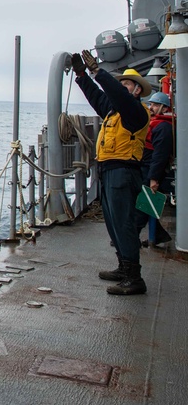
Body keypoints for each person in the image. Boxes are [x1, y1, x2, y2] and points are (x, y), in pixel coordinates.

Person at [71, 51, 151, 295]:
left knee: (124, 223)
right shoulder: (114, 112)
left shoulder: (135, 112)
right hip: (109, 171)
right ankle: (123, 267)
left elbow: (117, 96)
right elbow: (98, 97)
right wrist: (83, 75)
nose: (121, 88)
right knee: (114, 223)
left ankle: (134, 277)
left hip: (124, 172)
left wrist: (98, 72)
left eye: (126, 84)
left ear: (137, 90)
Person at [138, 91, 175, 245]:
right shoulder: (158, 124)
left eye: (155, 105)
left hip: (152, 169)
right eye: (151, 104)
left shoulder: (164, 127)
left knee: (142, 203)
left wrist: (154, 178)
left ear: (164, 108)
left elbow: (160, 156)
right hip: (147, 166)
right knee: (145, 203)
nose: (151, 107)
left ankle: (133, 235)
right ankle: (158, 235)